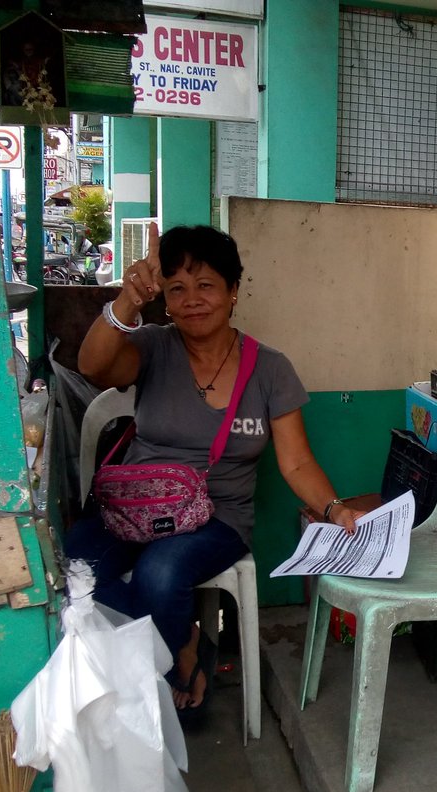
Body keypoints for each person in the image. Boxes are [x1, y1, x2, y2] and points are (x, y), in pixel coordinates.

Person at [67, 223, 364, 715]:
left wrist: (334, 509)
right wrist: (126, 302)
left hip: (216, 517)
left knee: (160, 575)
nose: (192, 300)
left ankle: (157, 681)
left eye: (206, 285)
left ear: (232, 293)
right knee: (75, 571)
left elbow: (296, 461)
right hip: (136, 508)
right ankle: (180, 645)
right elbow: (95, 367)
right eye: (177, 288)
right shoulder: (152, 347)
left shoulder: (270, 369)